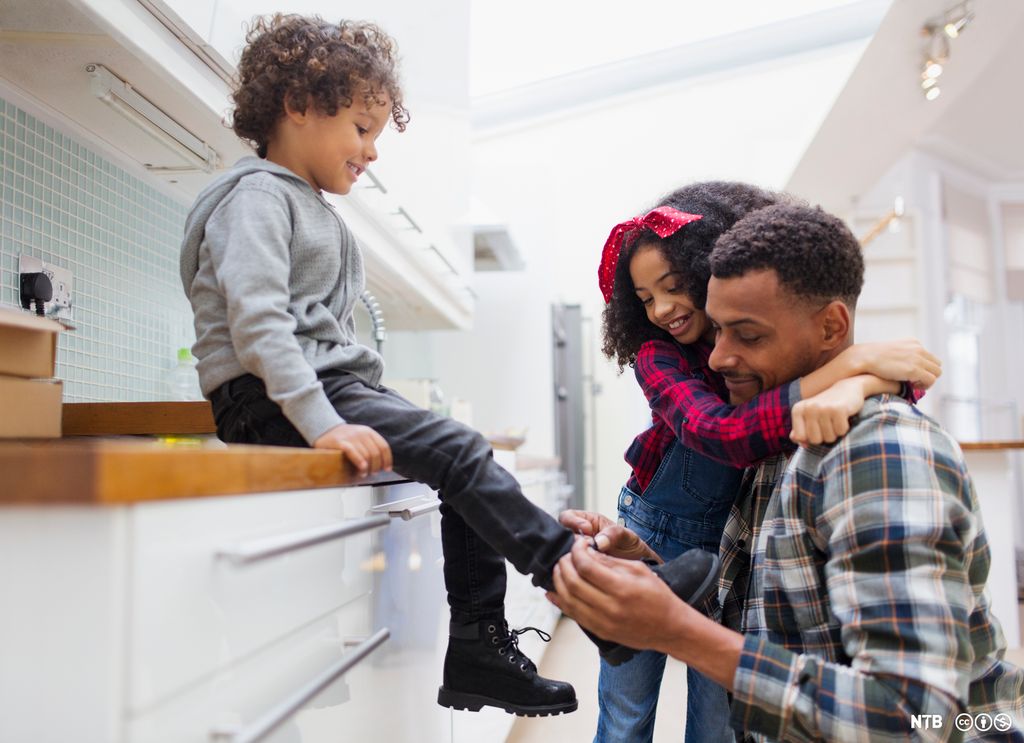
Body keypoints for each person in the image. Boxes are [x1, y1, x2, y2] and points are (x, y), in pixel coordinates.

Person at [177, 13, 595, 717]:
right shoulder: (254, 197)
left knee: (463, 461)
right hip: (273, 397)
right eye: (362, 129)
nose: (372, 151)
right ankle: (573, 576)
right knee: (462, 451)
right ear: (299, 107)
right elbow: (259, 325)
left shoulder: (305, 205)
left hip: (313, 391)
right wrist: (320, 420)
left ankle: (477, 645)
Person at [552, 202, 1024, 741]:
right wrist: (649, 563)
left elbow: (917, 720)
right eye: (719, 329)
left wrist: (678, 630)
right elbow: (760, 608)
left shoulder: (878, 453)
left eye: (747, 335)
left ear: (831, 326)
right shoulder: (776, 441)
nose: (717, 358)